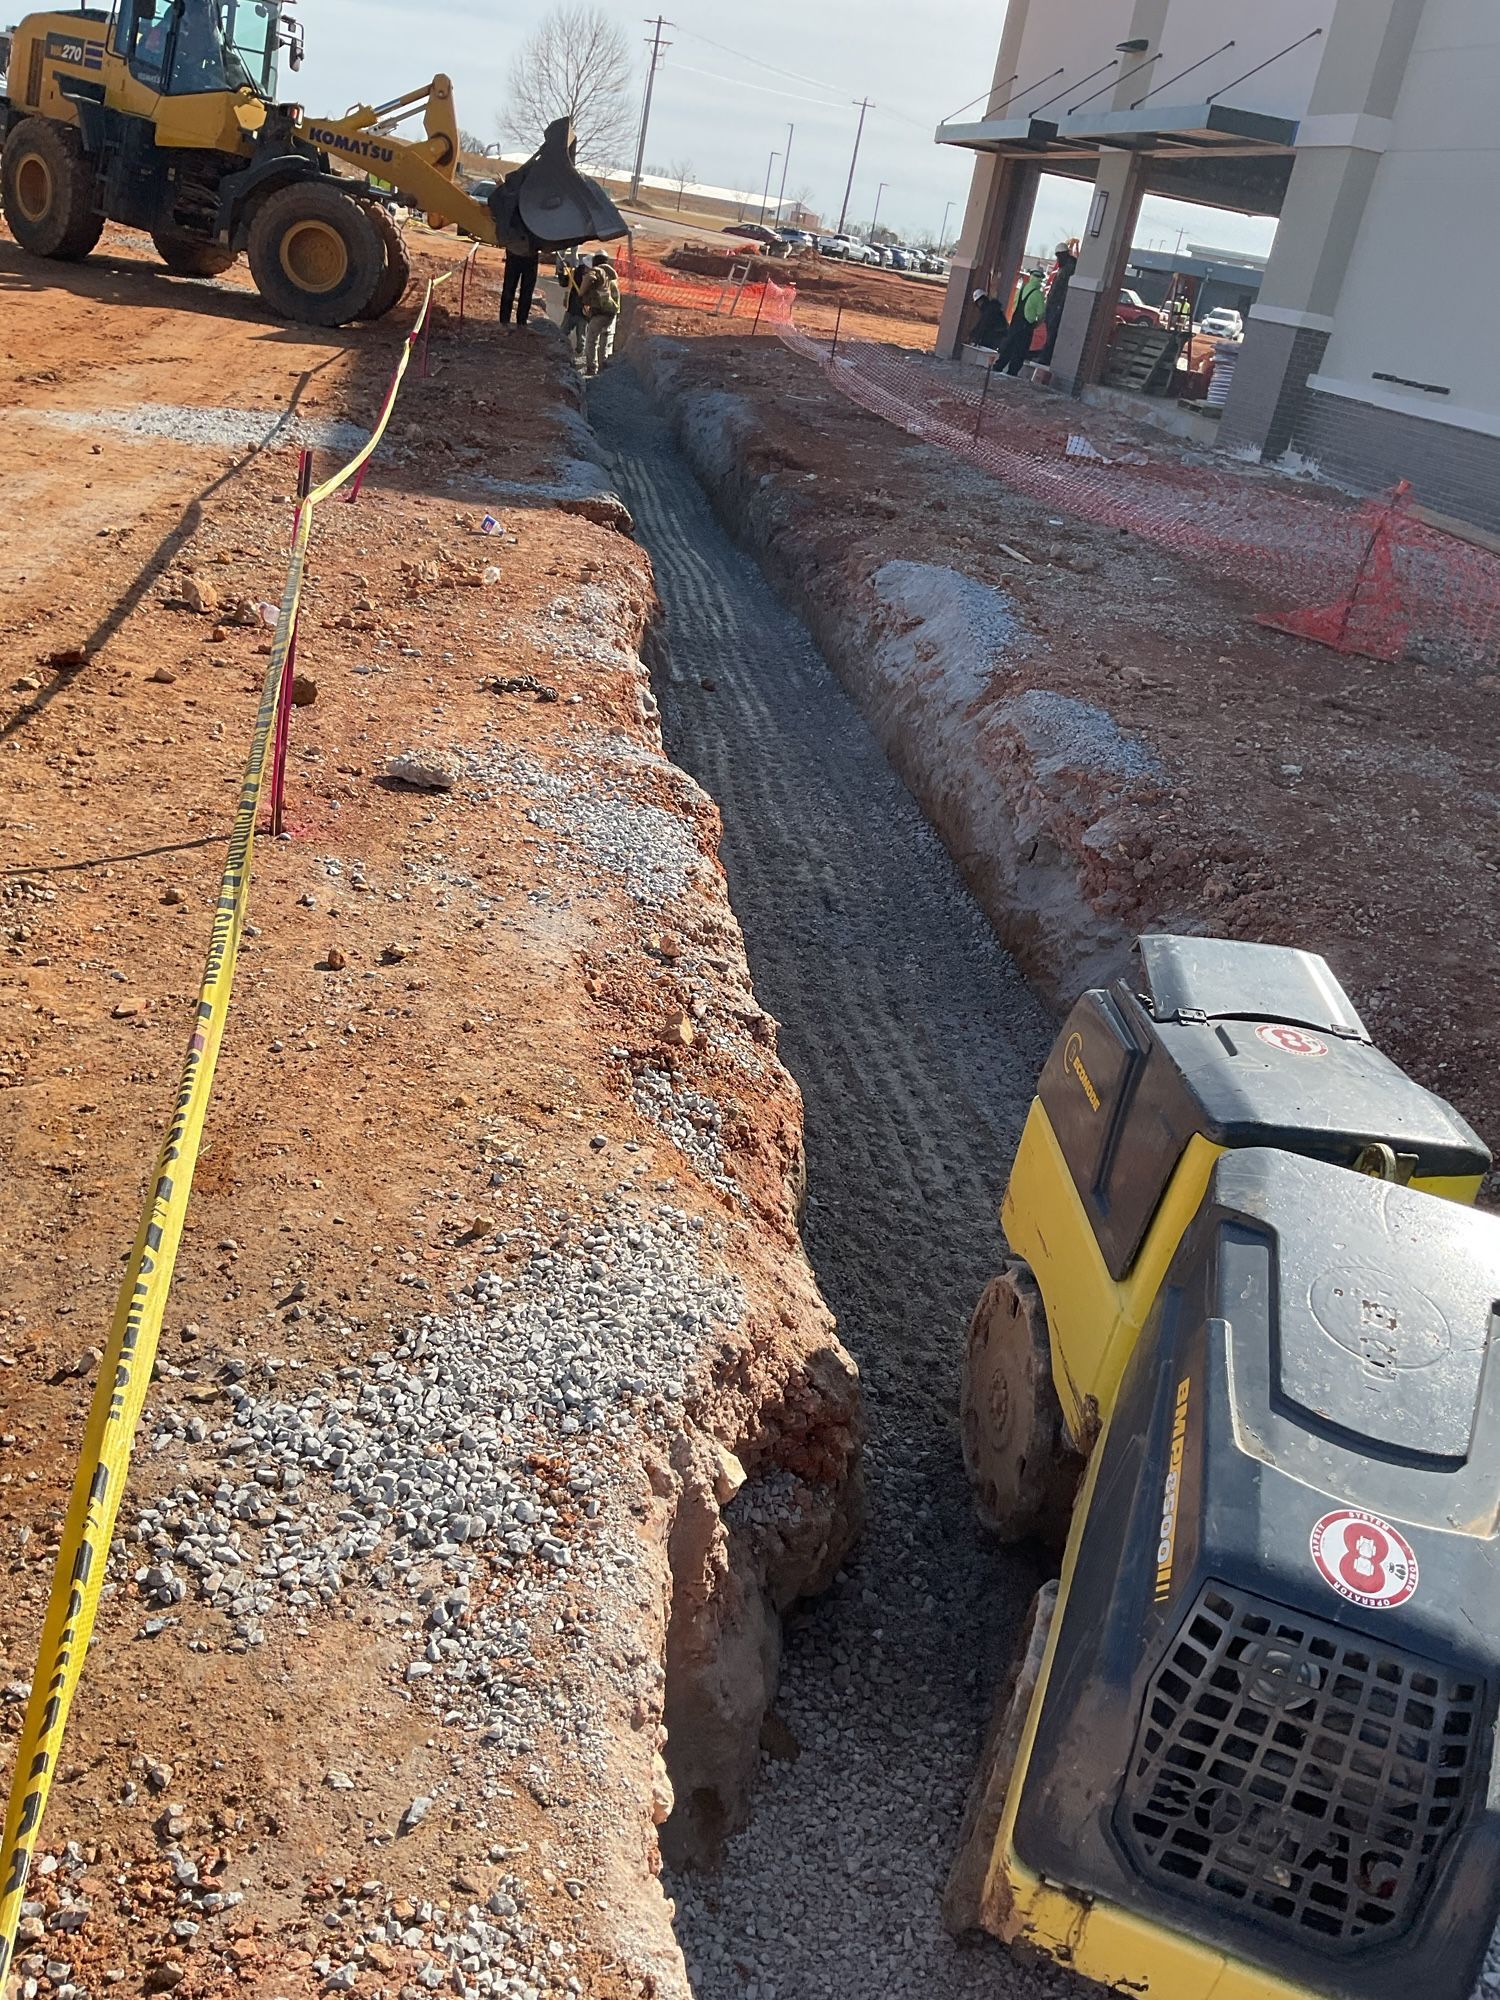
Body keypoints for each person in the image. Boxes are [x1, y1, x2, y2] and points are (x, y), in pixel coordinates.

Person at [998, 269, 1046, 376]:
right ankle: (1012, 372)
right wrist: (1036, 324)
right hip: (1026, 326)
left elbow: (1015, 304)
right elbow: (1042, 314)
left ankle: (998, 367)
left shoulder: (1022, 289)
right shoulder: (1038, 294)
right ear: (1040, 280)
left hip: (1015, 322)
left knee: (1009, 345)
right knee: (1020, 350)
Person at [1039, 240, 1078, 367]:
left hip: (1057, 306)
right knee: (1051, 332)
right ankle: (1045, 356)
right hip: (1055, 305)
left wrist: (1058, 305)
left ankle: (1046, 358)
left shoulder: (1068, 269)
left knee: (1053, 332)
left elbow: (1062, 290)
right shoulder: (1065, 268)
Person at [581, 253, 620, 376]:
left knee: (591, 341)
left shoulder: (598, 271)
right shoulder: (611, 276)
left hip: (600, 312)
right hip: (611, 312)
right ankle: (603, 367)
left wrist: (582, 293)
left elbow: (590, 278)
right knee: (605, 339)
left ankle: (591, 368)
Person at [500, 242, 540, 326]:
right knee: (510, 288)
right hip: (517, 253)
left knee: (526, 291)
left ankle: (521, 322)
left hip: (529, 253)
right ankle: (505, 321)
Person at [558, 252, 588, 355]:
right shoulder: (576, 273)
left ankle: (578, 357)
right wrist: (562, 271)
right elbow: (565, 283)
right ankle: (561, 353)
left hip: (582, 313)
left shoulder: (593, 278)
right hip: (573, 311)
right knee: (562, 335)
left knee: (581, 340)